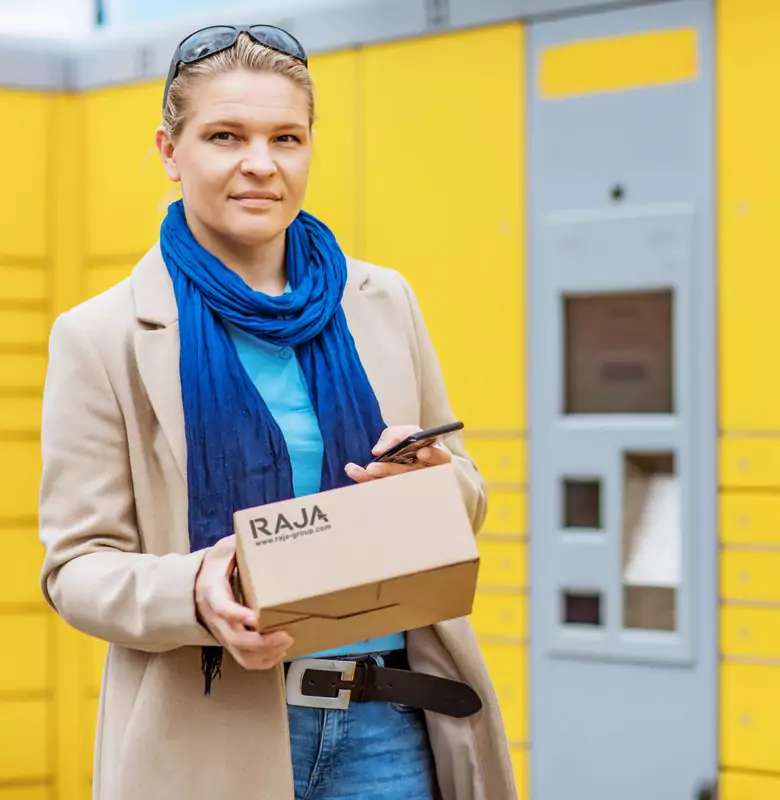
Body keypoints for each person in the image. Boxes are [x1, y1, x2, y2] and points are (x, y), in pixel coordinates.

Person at [37, 25, 516, 800]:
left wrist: (433, 482)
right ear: (170, 150)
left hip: (388, 724)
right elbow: (77, 568)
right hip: (210, 731)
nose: (260, 163)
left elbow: (465, 495)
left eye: (285, 137)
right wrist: (194, 590)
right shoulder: (102, 336)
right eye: (225, 135)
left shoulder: (382, 301)